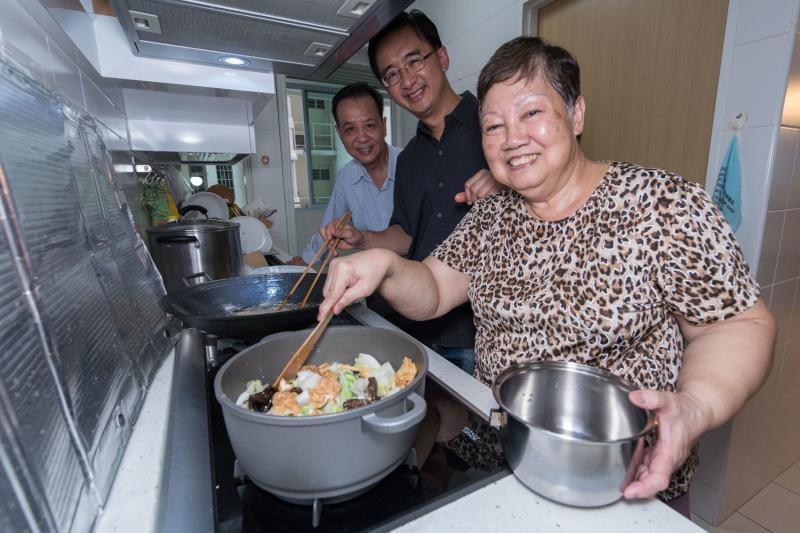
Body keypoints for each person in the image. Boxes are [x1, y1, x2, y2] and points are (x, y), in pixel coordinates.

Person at [318, 37, 776, 510]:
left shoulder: (661, 204)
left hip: (625, 479)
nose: (512, 138)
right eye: (493, 125)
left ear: (576, 115)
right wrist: (388, 265)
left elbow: (739, 325)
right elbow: (433, 289)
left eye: (532, 113)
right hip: (506, 464)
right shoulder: (490, 217)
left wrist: (696, 405)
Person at [320, 10, 505, 374]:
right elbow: (406, 235)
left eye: (414, 60)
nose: (406, 80)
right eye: (391, 74)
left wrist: (507, 183)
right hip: (418, 325)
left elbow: (549, 194)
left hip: (481, 333)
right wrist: (362, 238)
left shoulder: (496, 126)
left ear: (443, 56)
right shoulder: (408, 159)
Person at [288, 83, 401, 267]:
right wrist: (307, 260)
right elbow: (329, 229)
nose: (362, 138)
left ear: (384, 125)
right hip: (374, 283)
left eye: (370, 125)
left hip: (421, 281)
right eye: (350, 129)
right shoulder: (347, 177)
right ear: (339, 134)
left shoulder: (411, 164)